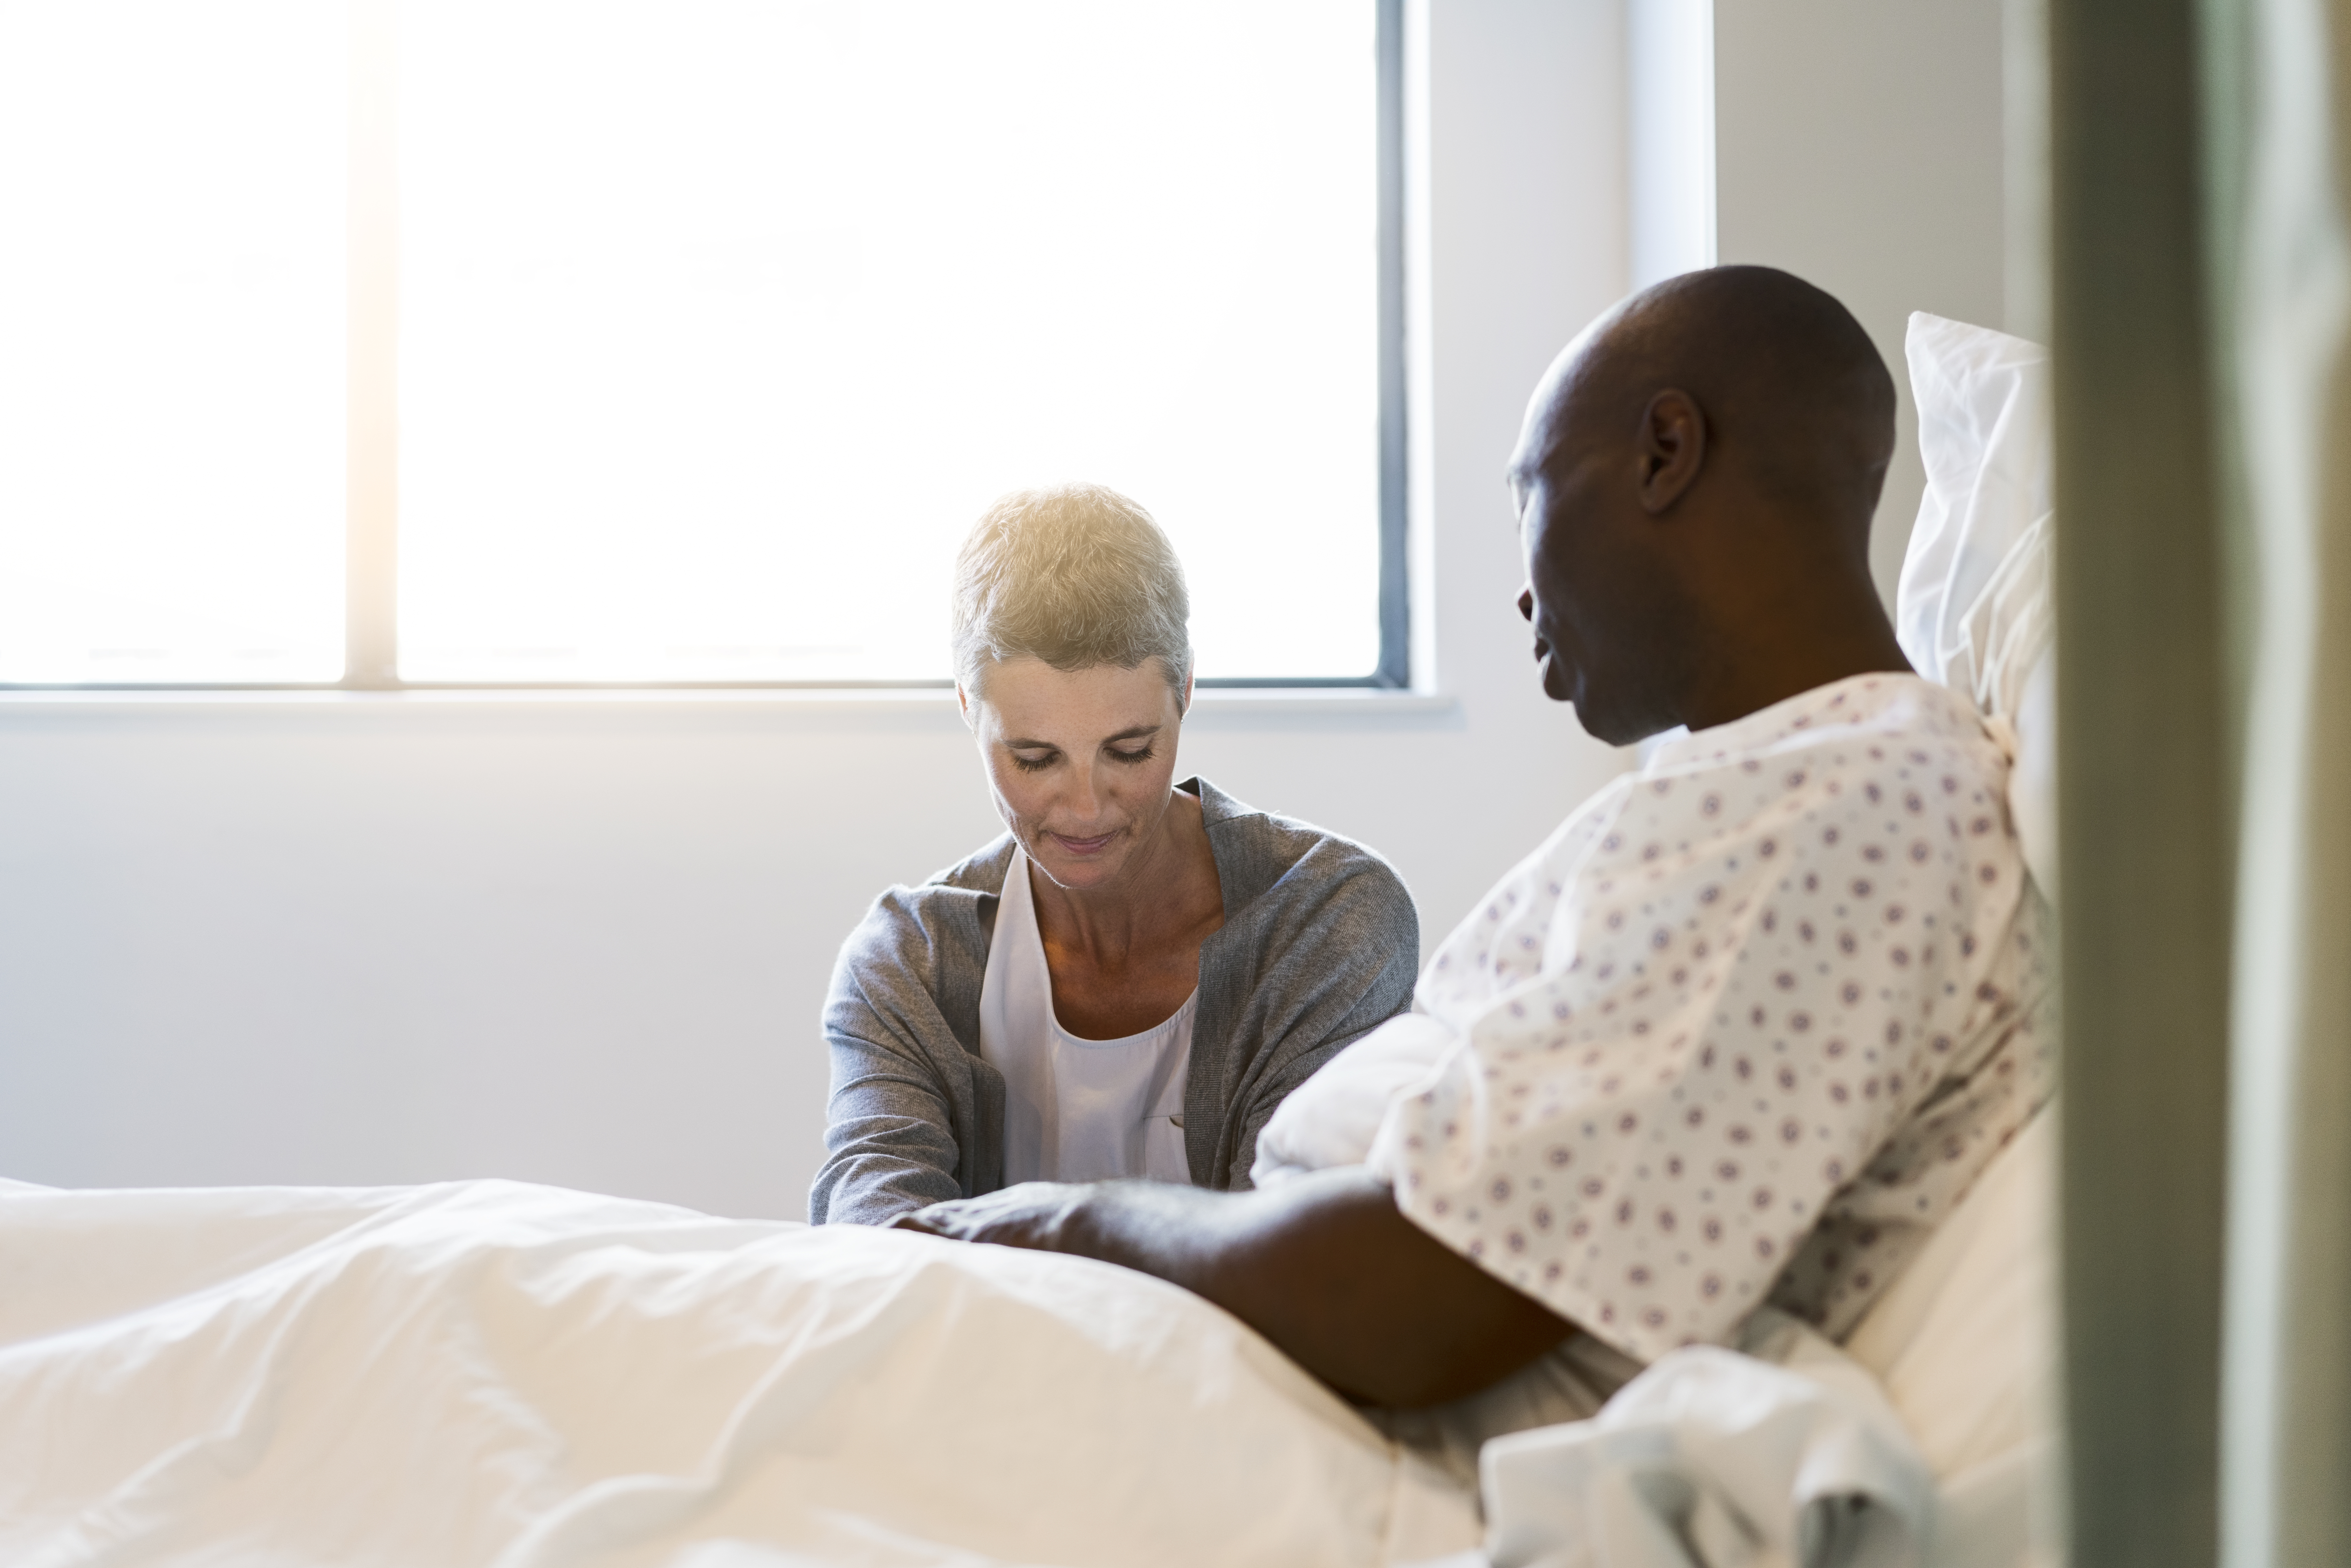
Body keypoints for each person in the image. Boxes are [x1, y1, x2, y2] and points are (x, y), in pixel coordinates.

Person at [894, 267, 2053, 1428]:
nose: (1518, 591)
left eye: (1532, 493)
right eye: (1035, 756)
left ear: (1664, 451)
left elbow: (1420, 1299)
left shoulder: (1850, 805)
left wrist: (1062, 1222)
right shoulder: (1778, 791)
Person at [809, 483, 1421, 1225]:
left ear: (1186, 692)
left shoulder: (1328, 918)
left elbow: (1293, 1246)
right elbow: (871, 1233)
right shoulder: (909, 961)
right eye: (1034, 759)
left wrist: (1034, 1235)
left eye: (1129, 751)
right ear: (969, 710)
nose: (1085, 809)